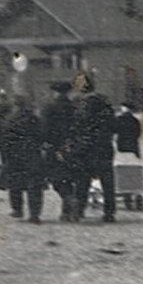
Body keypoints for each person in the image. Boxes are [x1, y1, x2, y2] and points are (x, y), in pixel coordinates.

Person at [70, 69, 117, 222]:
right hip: (104, 146)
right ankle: (109, 212)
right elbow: (113, 125)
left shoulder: (80, 104)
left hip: (85, 147)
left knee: (82, 181)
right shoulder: (105, 102)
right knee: (107, 182)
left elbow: (76, 126)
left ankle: (79, 211)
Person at [0, 94, 47, 223]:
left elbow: (4, 140)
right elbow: (42, 135)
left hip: (15, 155)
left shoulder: (9, 119)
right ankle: (34, 214)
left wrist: (5, 157)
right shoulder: (34, 119)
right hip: (32, 154)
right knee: (34, 186)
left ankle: (17, 209)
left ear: (15, 105)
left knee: (15, 184)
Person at [41, 81, 84, 222]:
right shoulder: (75, 108)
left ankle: (69, 200)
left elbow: (44, 128)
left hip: (54, 148)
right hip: (73, 147)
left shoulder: (49, 107)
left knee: (57, 178)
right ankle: (67, 211)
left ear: (55, 92)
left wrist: (45, 144)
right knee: (70, 178)